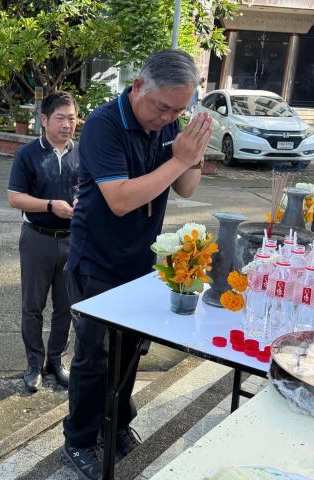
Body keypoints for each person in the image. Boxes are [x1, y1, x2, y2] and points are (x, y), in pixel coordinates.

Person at [60, 50, 212, 479]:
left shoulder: (169, 124)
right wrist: (179, 158)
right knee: (94, 358)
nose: (168, 118)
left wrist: (194, 153)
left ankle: (116, 424)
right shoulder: (105, 127)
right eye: (163, 107)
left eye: (179, 111)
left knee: (129, 354)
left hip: (141, 262)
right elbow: (122, 200)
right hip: (97, 263)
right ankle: (78, 440)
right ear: (139, 85)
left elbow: (185, 188)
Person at [7, 91, 79, 392]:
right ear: (45, 120)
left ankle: (56, 361)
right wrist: (51, 205)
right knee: (33, 305)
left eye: (72, 118)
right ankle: (34, 364)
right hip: (37, 238)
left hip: (73, 240)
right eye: (60, 118)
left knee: (66, 306)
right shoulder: (28, 154)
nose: (67, 125)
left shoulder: (83, 153)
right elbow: (15, 198)